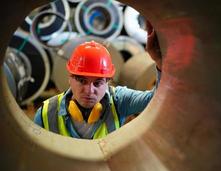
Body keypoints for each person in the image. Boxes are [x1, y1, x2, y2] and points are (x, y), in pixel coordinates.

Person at [34, 21, 162, 139]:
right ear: (70, 79)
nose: (89, 91)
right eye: (82, 81)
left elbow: (159, 101)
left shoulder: (119, 101)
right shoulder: (45, 114)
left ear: (108, 82)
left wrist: (160, 63)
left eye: (98, 83)